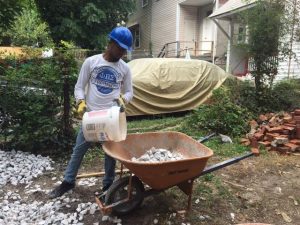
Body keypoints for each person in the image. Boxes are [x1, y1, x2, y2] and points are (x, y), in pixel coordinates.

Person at [49, 26, 134, 198]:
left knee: (110, 155)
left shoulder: (125, 68)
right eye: (120, 48)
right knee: (78, 150)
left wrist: (124, 99)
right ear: (110, 43)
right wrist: (80, 102)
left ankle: (108, 186)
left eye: (125, 50)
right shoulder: (91, 62)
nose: (122, 53)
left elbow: (130, 92)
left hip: (110, 119)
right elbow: (79, 87)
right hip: (91, 117)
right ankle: (68, 182)